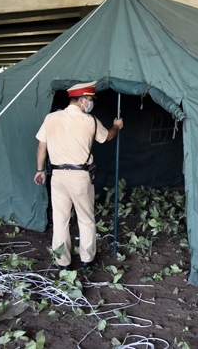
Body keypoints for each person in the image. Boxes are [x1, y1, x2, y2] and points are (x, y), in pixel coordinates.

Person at [33, 81, 123, 270]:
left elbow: (42, 146)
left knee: (60, 220)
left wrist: (40, 170)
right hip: (80, 176)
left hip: (56, 176)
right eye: (89, 100)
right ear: (82, 100)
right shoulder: (89, 121)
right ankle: (87, 259)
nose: (91, 104)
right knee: (85, 218)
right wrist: (116, 126)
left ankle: (62, 261)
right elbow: (107, 137)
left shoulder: (51, 118)